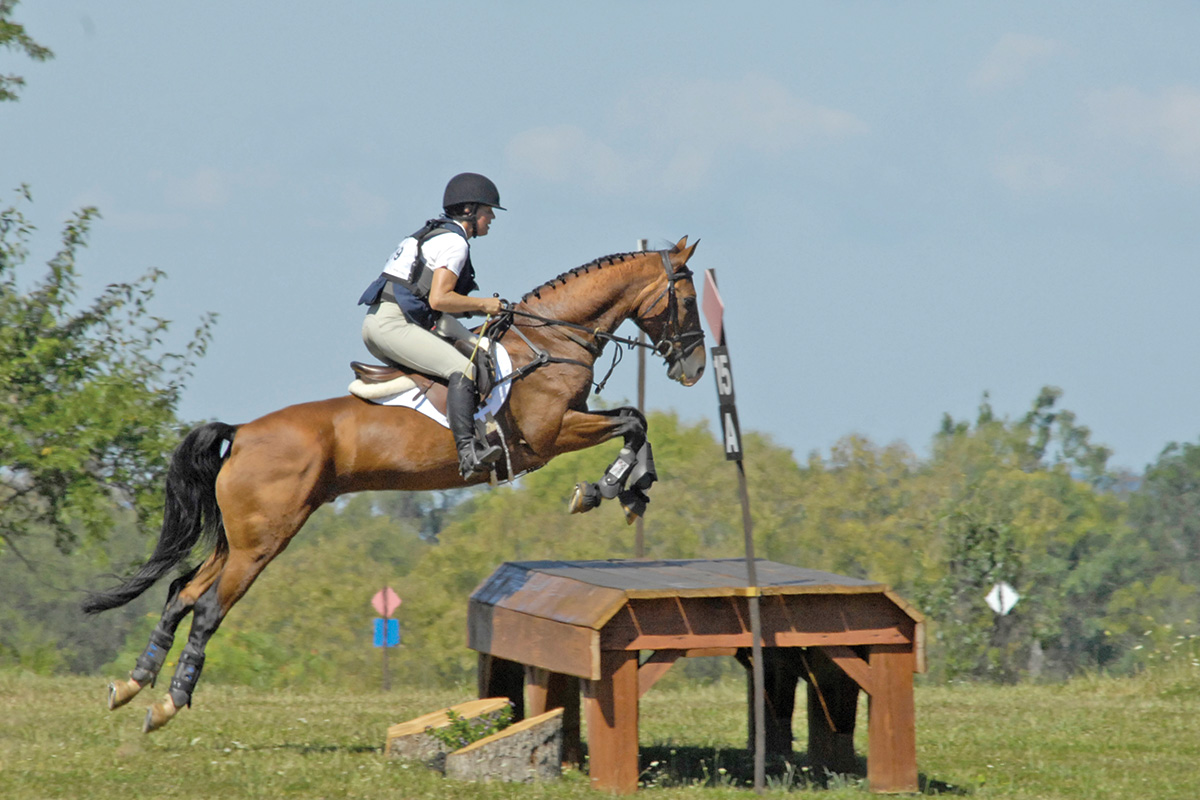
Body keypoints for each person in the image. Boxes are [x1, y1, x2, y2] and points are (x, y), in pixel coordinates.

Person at [359, 172, 506, 478]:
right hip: (394, 325)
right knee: (463, 369)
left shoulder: (434, 234)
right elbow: (440, 299)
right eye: (487, 210)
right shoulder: (455, 243)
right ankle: (468, 453)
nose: (491, 217)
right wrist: (484, 305)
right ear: (470, 211)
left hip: (381, 322)